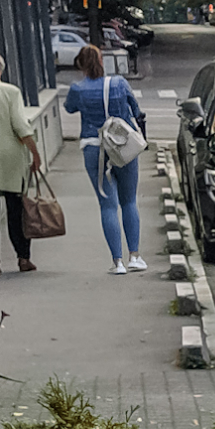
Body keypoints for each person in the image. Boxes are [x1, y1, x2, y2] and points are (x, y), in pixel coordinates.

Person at [63, 45, 144, 273]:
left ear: (80, 64)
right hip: (123, 147)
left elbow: (69, 108)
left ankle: (117, 262)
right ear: (102, 61)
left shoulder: (77, 88)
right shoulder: (118, 83)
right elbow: (136, 109)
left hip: (94, 148)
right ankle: (135, 256)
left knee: (107, 205)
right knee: (129, 201)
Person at [0, 52, 42, 272]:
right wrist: (35, 154)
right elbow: (21, 126)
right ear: (1, 70)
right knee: (17, 211)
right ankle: (23, 258)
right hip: (10, 160)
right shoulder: (11, 92)